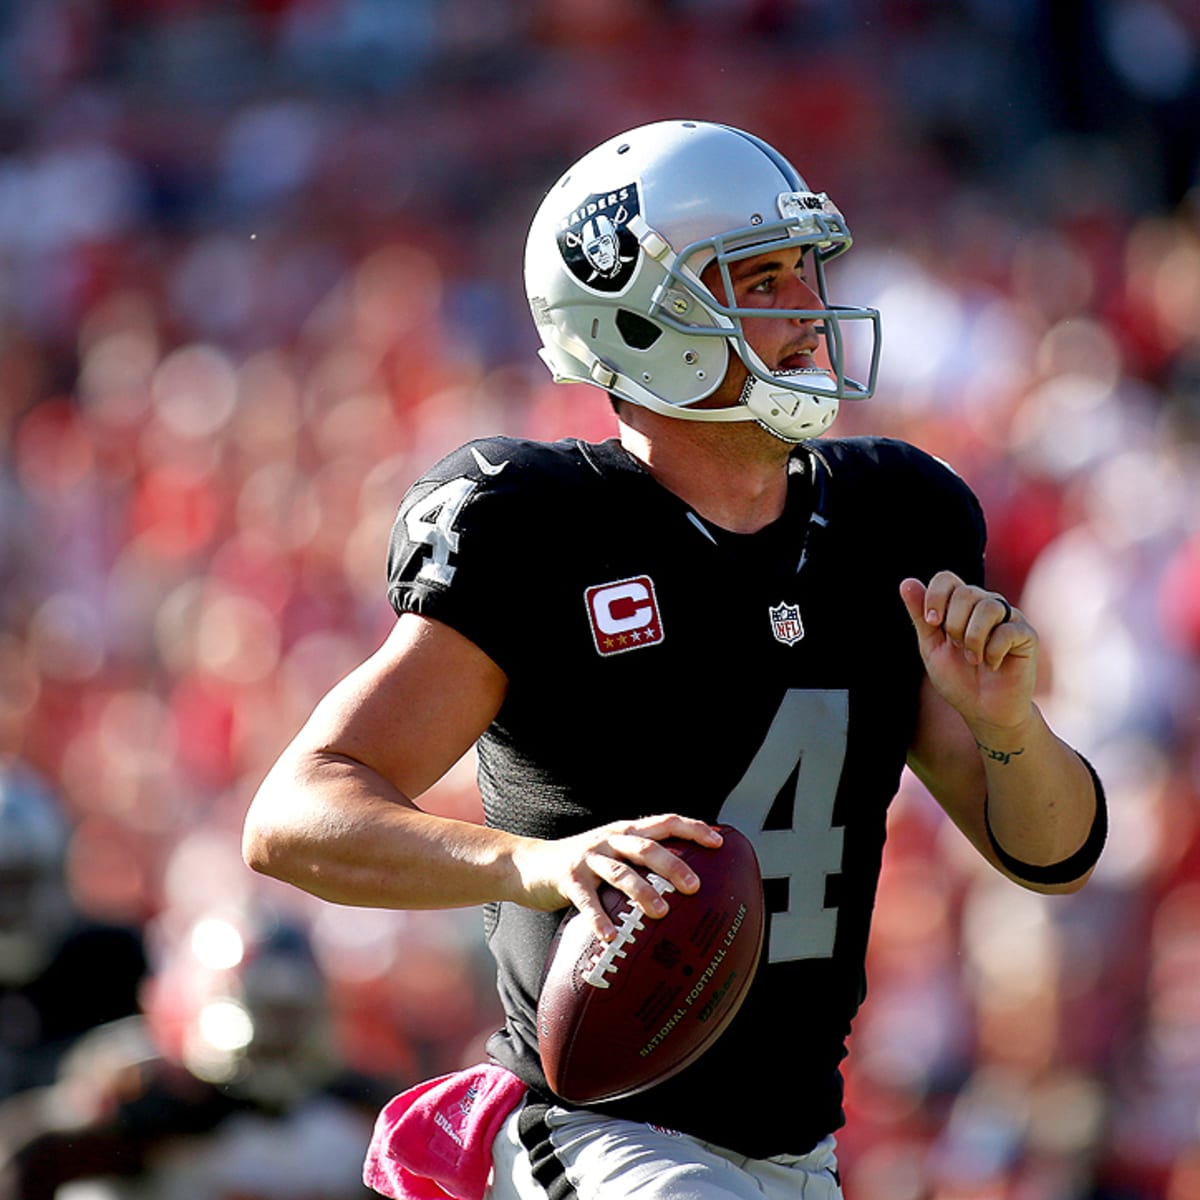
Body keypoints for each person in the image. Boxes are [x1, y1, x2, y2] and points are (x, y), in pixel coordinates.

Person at [242, 119, 1107, 1200]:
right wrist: (536, 864)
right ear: (643, 321)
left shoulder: (895, 516)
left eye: (804, 269)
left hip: (802, 1154)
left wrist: (1010, 728)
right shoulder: (542, 525)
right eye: (758, 278)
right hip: (595, 1134)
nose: (805, 308)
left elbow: (1054, 855)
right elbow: (292, 816)